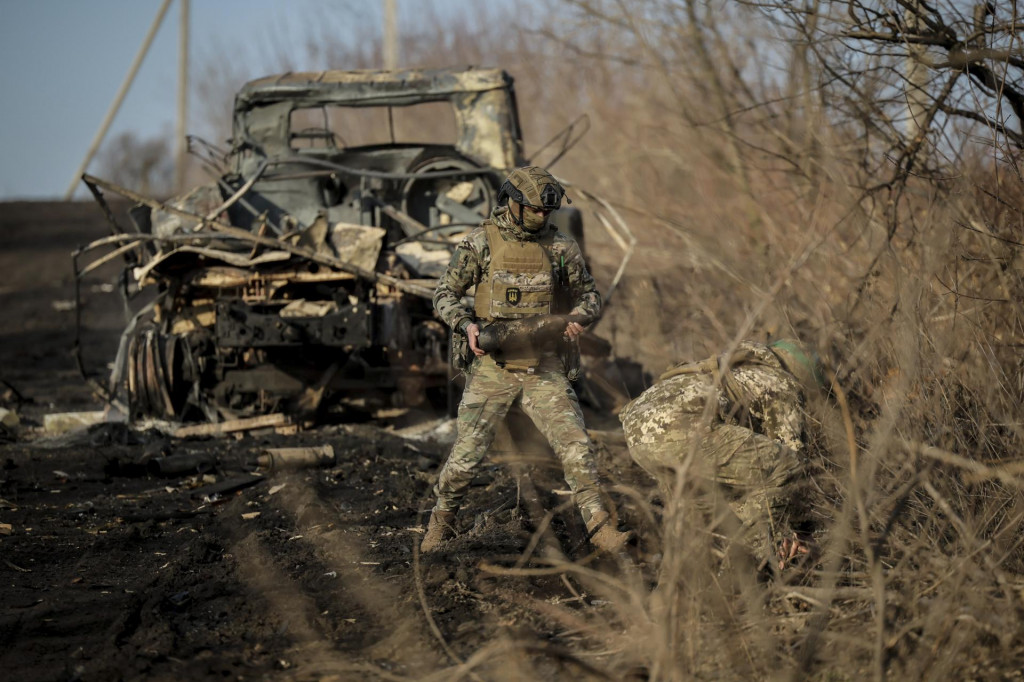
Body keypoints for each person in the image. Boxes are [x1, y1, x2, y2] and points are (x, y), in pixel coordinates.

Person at [421, 165, 628, 554]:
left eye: (546, 211)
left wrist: (578, 319)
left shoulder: (561, 247)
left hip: (544, 368)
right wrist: (465, 325)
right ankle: (440, 521)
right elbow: (444, 293)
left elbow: (590, 296)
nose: (541, 216)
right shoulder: (481, 242)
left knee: (577, 447)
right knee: (466, 459)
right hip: (492, 369)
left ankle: (600, 527)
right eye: (534, 209)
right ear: (513, 204)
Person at [619, 339, 823, 570]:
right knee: (785, 465)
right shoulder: (780, 381)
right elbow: (792, 462)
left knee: (695, 521)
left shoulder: (731, 368)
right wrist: (802, 530)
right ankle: (744, 573)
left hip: (638, 435)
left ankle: (671, 595)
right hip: (681, 428)